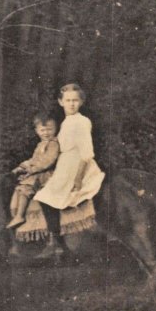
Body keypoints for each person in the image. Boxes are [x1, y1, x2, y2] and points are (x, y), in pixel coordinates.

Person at [33, 83, 105, 259]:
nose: (71, 104)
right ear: (60, 102)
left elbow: (86, 151)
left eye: (75, 100)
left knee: (44, 197)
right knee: (45, 193)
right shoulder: (67, 122)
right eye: (68, 100)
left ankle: (55, 243)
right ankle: (57, 241)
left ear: (81, 102)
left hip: (76, 163)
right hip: (65, 163)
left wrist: (79, 177)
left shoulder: (82, 121)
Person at [7, 114, 60, 230]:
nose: (46, 133)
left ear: (56, 129)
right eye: (42, 130)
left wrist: (31, 170)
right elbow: (33, 159)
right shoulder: (40, 145)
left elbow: (48, 161)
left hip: (46, 173)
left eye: (49, 129)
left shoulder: (53, 144)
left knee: (28, 184)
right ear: (37, 131)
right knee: (22, 185)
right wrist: (21, 167)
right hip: (38, 172)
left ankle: (20, 216)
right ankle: (18, 215)